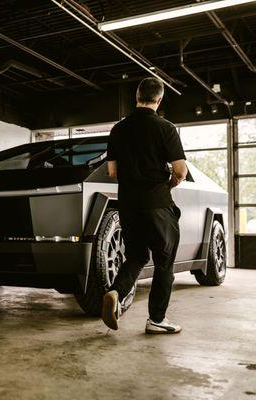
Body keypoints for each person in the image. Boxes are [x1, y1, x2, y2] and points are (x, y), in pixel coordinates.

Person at [102, 77, 187, 334]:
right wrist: (167, 185)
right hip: (157, 203)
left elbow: (112, 170)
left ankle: (116, 292)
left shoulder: (118, 129)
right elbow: (180, 171)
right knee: (164, 262)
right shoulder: (165, 128)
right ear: (159, 99)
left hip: (128, 204)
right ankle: (157, 319)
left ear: (136, 97)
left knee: (136, 256)